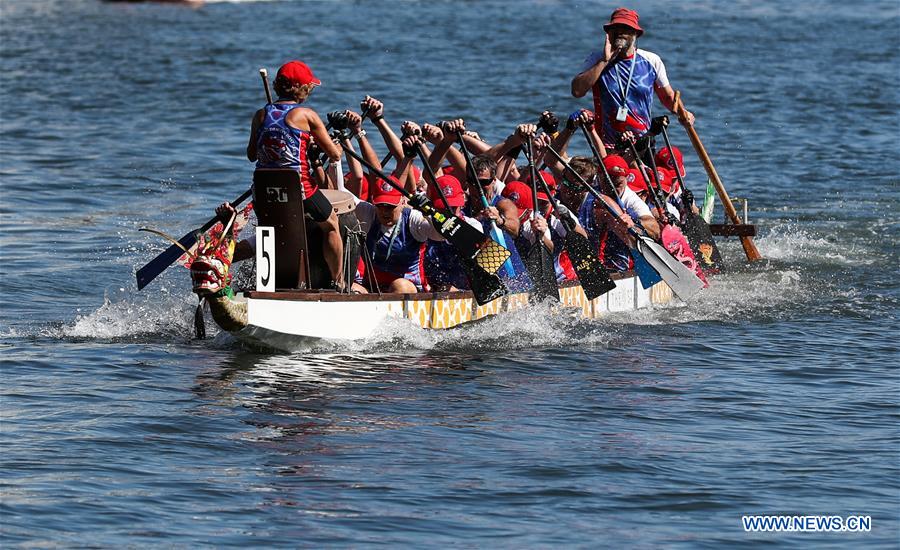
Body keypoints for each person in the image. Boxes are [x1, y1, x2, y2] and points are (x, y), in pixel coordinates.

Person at [246, 60, 344, 287]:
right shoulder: (307, 115)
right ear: (301, 88)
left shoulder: (261, 115)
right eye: (309, 86)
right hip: (298, 189)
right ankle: (338, 282)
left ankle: (265, 281)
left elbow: (252, 155)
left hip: (263, 192)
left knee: (269, 228)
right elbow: (335, 155)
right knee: (331, 223)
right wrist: (335, 147)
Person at [570, 8, 695, 152]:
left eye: (625, 28)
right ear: (608, 33)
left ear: (636, 34)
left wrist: (683, 113)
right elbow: (577, 91)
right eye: (615, 28)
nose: (620, 32)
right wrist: (604, 61)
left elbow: (667, 97)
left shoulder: (651, 61)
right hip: (607, 146)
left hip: (643, 143)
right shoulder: (596, 59)